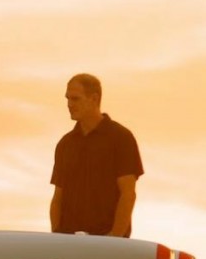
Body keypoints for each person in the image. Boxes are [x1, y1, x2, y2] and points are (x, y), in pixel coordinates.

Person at [50, 73, 143, 238]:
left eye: (75, 99)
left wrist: (115, 237)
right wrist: (57, 235)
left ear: (94, 99)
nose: (69, 104)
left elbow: (128, 194)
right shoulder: (65, 144)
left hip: (107, 243)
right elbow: (58, 197)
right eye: (67, 99)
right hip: (68, 244)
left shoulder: (121, 138)